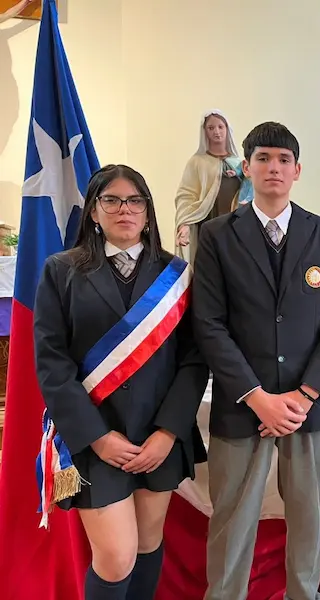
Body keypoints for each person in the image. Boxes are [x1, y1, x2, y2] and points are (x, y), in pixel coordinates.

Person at [192, 121, 320, 600]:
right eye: (263, 158)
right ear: (246, 167)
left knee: (307, 515)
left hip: (309, 406)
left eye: (284, 160)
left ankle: (305, 594)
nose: (274, 168)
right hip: (243, 403)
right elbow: (209, 323)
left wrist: (305, 394)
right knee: (232, 518)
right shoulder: (217, 235)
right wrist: (258, 397)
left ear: (297, 170)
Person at [33, 164, 208, 600]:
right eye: (111, 200)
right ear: (94, 211)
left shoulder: (177, 274)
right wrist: (97, 438)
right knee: (115, 557)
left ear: (148, 212)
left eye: (134, 201)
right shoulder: (61, 271)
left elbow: (194, 359)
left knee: (147, 546)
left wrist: (168, 433)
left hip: (157, 437)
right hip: (94, 438)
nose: (124, 209)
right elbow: (52, 364)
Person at [174, 110, 251, 263]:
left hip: (234, 228)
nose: (216, 132)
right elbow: (186, 195)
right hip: (207, 226)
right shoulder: (197, 162)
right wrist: (185, 223)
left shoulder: (238, 163)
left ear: (227, 129)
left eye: (220, 127)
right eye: (211, 128)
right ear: (204, 131)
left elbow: (250, 190)